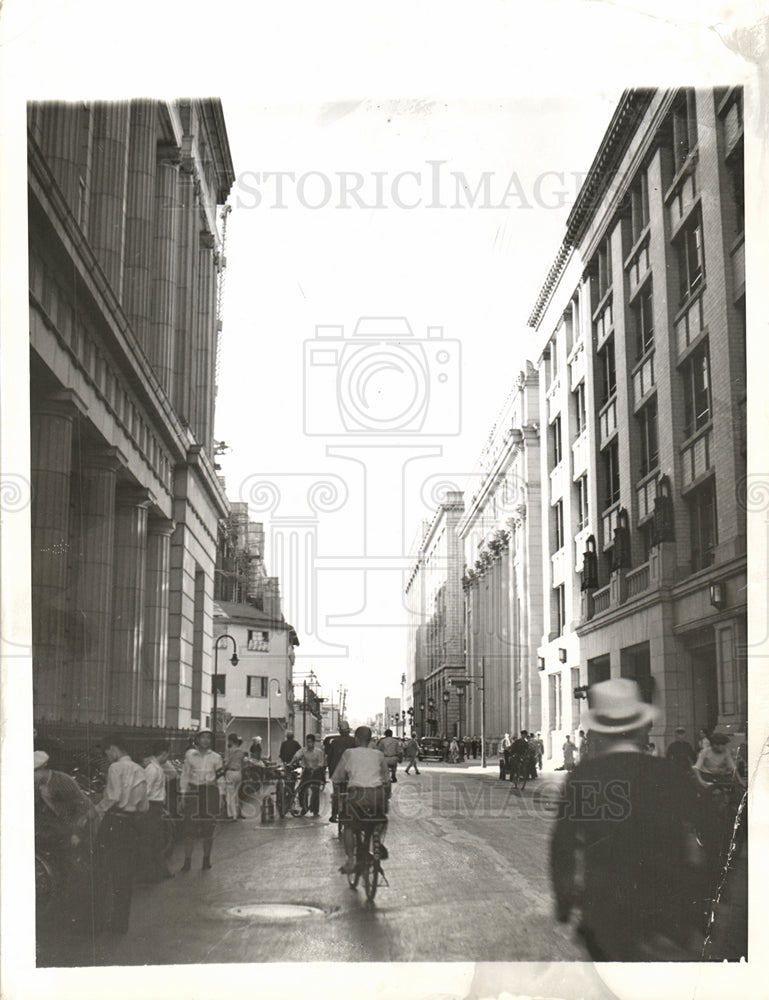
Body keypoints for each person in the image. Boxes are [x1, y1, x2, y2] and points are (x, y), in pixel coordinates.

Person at [551, 679, 705, 961]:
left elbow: (563, 846)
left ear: (598, 731)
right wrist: (699, 905)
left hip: (605, 912)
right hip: (666, 914)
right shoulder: (668, 773)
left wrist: (564, 904)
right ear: (640, 728)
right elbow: (705, 836)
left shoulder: (586, 776)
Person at [95, 736, 149, 934]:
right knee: (124, 876)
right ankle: (120, 923)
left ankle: (104, 918)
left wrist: (95, 811)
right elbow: (144, 805)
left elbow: (113, 796)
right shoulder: (140, 770)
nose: (107, 757)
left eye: (107, 752)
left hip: (114, 822)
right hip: (130, 824)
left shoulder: (115, 768)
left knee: (103, 869)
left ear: (114, 749)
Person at [331, 725, 391, 874]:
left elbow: (337, 777)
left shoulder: (349, 753)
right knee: (379, 819)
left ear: (356, 739)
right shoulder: (378, 755)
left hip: (357, 795)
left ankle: (350, 860)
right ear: (370, 739)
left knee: (348, 826)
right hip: (377, 794)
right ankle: (376, 842)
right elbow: (386, 779)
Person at [179, 729, 224, 872]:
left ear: (211, 741)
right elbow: (185, 776)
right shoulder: (190, 756)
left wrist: (222, 797)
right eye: (202, 737)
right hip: (193, 792)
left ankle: (206, 859)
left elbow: (221, 778)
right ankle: (187, 861)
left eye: (208, 738)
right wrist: (182, 795)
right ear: (197, 739)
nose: (205, 740)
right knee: (189, 829)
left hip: (210, 792)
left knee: (208, 828)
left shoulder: (216, 758)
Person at [139, 742, 174, 882]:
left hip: (155, 806)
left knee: (156, 840)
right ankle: (152, 874)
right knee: (150, 841)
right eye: (167, 754)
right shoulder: (152, 769)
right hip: (151, 807)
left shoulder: (155, 768)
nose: (168, 757)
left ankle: (159, 871)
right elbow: (145, 791)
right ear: (163, 753)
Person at [325, 721, 357, 822]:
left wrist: (331, 772)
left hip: (337, 773)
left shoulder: (334, 742)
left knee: (336, 794)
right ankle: (352, 812)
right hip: (350, 773)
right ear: (348, 731)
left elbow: (330, 758)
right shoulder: (354, 742)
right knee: (352, 793)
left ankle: (334, 815)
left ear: (339, 731)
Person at [290, 734, 326, 817]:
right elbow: (296, 756)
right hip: (307, 771)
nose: (309, 744)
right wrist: (291, 762)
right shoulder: (303, 750)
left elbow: (321, 763)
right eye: (307, 742)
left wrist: (315, 768)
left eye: (310, 742)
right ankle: (304, 807)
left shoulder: (318, 752)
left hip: (316, 772)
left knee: (315, 792)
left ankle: (315, 811)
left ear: (313, 743)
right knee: (302, 790)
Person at [224, 734, 246, 820]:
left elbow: (226, 763)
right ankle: (237, 812)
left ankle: (232, 815)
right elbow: (243, 763)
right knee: (236, 794)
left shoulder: (229, 750)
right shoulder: (241, 751)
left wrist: (222, 768)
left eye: (228, 740)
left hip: (230, 773)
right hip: (238, 773)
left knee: (230, 795)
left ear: (231, 741)